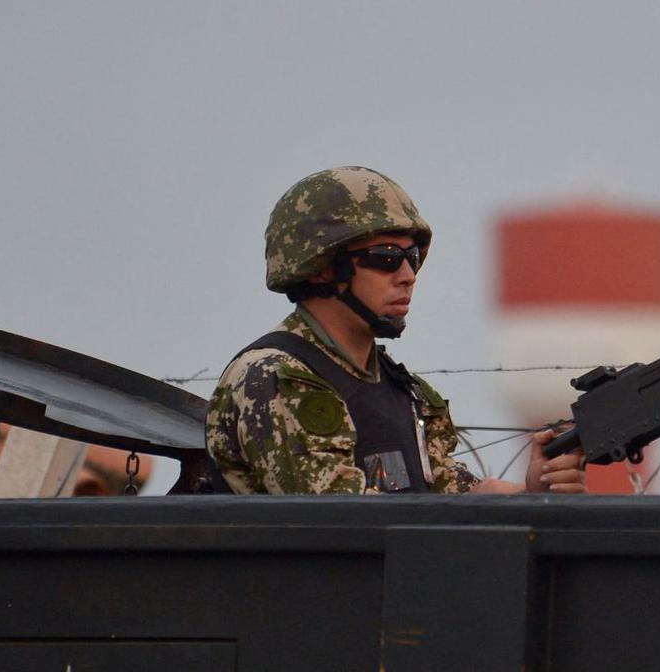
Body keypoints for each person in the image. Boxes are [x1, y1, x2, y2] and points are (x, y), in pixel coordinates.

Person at [205, 167, 587, 495]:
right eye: (385, 258)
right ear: (322, 268)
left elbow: (445, 494)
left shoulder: (402, 390)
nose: (407, 277)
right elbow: (340, 522)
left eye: (412, 258)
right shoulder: (274, 379)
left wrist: (530, 493)